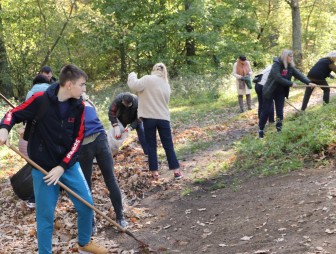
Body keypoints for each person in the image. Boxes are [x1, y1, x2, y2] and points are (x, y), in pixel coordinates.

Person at [0, 64, 108, 254]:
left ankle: (84, 243)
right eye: (82, 85)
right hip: (41, 169)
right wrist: (3, 129)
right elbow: (12, 114)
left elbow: (78, 139)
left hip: (68, 167)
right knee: (45, 218)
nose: (84, 89)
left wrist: (62, 166)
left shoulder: (80, 106)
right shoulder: (41, 100)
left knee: (86, 204)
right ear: (68, 85)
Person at [78, 93, 128, 235]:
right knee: (110, 179)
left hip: (87, 143)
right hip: (100, 139)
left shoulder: (67, 104)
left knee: (86, 184)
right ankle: (120, 219)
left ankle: (93, 224)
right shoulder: (87, 101)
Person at [127, 63, 183, 180]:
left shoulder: (147, 79)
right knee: (168, 145)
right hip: (164, 118)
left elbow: (133, 85)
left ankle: (155, 172)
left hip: (149, 118)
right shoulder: (166, 84)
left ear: (154, 69)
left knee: (151, 145)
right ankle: (177, 171)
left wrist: (132, 74)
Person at [258, 49, 316, 138]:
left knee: (280, 111)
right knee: (266, 110)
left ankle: (279, 130)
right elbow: (278, 77)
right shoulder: (276, 64)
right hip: (270, 90)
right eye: (290, 56)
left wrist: (308, 82)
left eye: (292, 56)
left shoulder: (290, 67)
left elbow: (299, 75)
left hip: (280, 92)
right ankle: (261, 130)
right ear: (285, 56)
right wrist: (291, 83)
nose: (291, 58)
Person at [20, 74, 51, 208]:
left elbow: (25, 115)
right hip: (48, 135)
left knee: (37, 167)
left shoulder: (30, 94)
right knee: (45, 166)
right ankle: (35, 198)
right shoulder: (51, 90)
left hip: (30, 138)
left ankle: (34, 199)